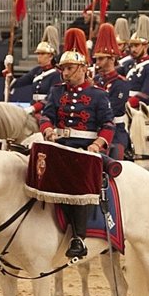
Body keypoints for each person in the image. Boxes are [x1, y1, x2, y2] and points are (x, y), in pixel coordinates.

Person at [38, 49, 115, 259]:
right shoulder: (57, 91)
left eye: (69, 68)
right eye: (62, 69)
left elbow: (108, 124)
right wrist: (47, 130)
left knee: (77, 181)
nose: (65, 73)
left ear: (82, 69)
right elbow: (46, 116)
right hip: (60, 145)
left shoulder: (98, 94)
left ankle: (78, 238)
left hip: (85, 149)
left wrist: (97, 144)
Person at [92, 23, 130, 160]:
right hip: (94, 130)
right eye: (96, 59)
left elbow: (111, 111)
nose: (97, 63)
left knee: (114, 159)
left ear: (112, 59)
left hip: (115, 132)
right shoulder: (95, 80)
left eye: (101, 59)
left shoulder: (121, 84)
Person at [7, 25, 61, 113]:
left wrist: (34, 108)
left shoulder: (56, 74)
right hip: (34, 108)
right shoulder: (37, 71)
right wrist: (8, 70)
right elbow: (18, 82)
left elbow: (51, 97)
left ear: (50, 56)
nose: (39, 57)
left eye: (42, 54)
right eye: (38, 54)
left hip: (48, 111)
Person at [123, 15, 149, 109]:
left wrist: (127, 105)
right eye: (131, 46)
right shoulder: (129, 64)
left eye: (136, 46)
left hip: (141, 109)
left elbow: (145, 94)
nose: (133, 49)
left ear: (146, 46)